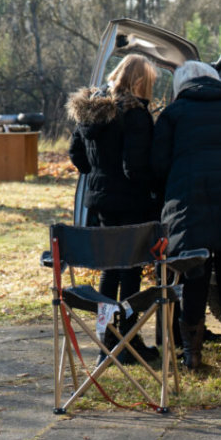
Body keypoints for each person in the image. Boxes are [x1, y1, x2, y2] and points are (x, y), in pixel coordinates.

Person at [152, 61, 221, 369]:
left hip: (189, 205)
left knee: (193, 275)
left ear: (180, 86)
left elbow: (158, 166)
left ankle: (192, 355)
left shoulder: (173, 115)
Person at [66, 53, 160, 365]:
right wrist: (151, 190)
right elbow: (135, 167)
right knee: (130, 270)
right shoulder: (133, 112)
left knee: (110, 268)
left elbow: (76, 154)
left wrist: (96, 173)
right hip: (131, 201)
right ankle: (130, 339)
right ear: (138, 82)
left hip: (101, 199)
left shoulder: (91, 109)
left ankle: (107, 339)